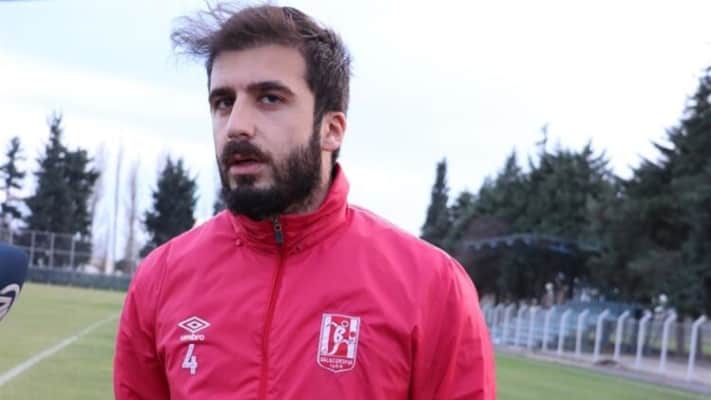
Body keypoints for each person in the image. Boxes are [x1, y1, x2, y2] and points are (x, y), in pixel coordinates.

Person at [113, 3, 496, 399]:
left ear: (331, 129)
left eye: (269, 98)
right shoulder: (161, 279)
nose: (236, 126)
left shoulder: (432, 287)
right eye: (223, 102)